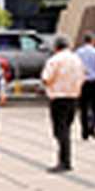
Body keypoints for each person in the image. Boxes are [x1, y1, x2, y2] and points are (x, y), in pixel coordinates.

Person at [40, 37, 85, 173]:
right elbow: (83, 77)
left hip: (58, 97)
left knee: (60, 131)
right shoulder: (77, 59)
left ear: (56, 47)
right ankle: (66, 159)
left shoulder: (54, 60)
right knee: (67, 128)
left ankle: (64, 161)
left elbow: (46, 78)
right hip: (73, 97)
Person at [76, 32, 95, 141]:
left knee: (83, 107)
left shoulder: (78, 53)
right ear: (93, 41)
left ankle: (84, 130)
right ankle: (92, 127)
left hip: (83, 81)